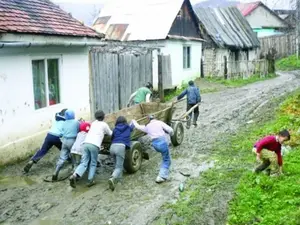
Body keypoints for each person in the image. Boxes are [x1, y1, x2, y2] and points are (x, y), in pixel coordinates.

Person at [69, 110, 112, 188]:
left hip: (85, 143)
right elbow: (110, 133)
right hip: (94, 145)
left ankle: (74, 175)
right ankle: (90, 180)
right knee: (93, 163)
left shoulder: (93, 123)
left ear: (95, 117)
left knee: (84, 162)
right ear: (103, 117)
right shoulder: (104, 124)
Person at [23, 108, 67, 173]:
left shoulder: (57, 119)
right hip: (57, 137)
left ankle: (32, 160)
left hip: (49, 135)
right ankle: (69, 159)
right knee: (64, 149)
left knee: (43, 150)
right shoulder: (65, 122)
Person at [132, 115, 174, 183]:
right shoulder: (159, 122)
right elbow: (170, 130)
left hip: (155, 145)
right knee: (167, 160)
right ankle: (161, 176)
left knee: (163, 155)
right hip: (162, 143)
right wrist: (171, 136)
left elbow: (138, 127)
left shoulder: (147, 126)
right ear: (155, 118)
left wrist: (133, 121)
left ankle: (163, 174)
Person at [108, 116, 134, 191]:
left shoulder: (115, 129)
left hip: (112, 147)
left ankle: (119, 180)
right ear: (125, 121)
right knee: (119, 167)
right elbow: (132, 127)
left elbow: (112, 138)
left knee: (117, 165)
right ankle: (112, 178)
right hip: (120, 147)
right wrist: (133, 122)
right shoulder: (128, 127)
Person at [52, 109, 79, 181]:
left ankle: (56, 172)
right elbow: (79, 130)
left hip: (64, 141)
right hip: (72, 140)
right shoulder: (76, 122)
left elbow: (61, 133)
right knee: (74, 157)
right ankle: (74, 172)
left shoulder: (64, 123)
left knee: (62, 158)